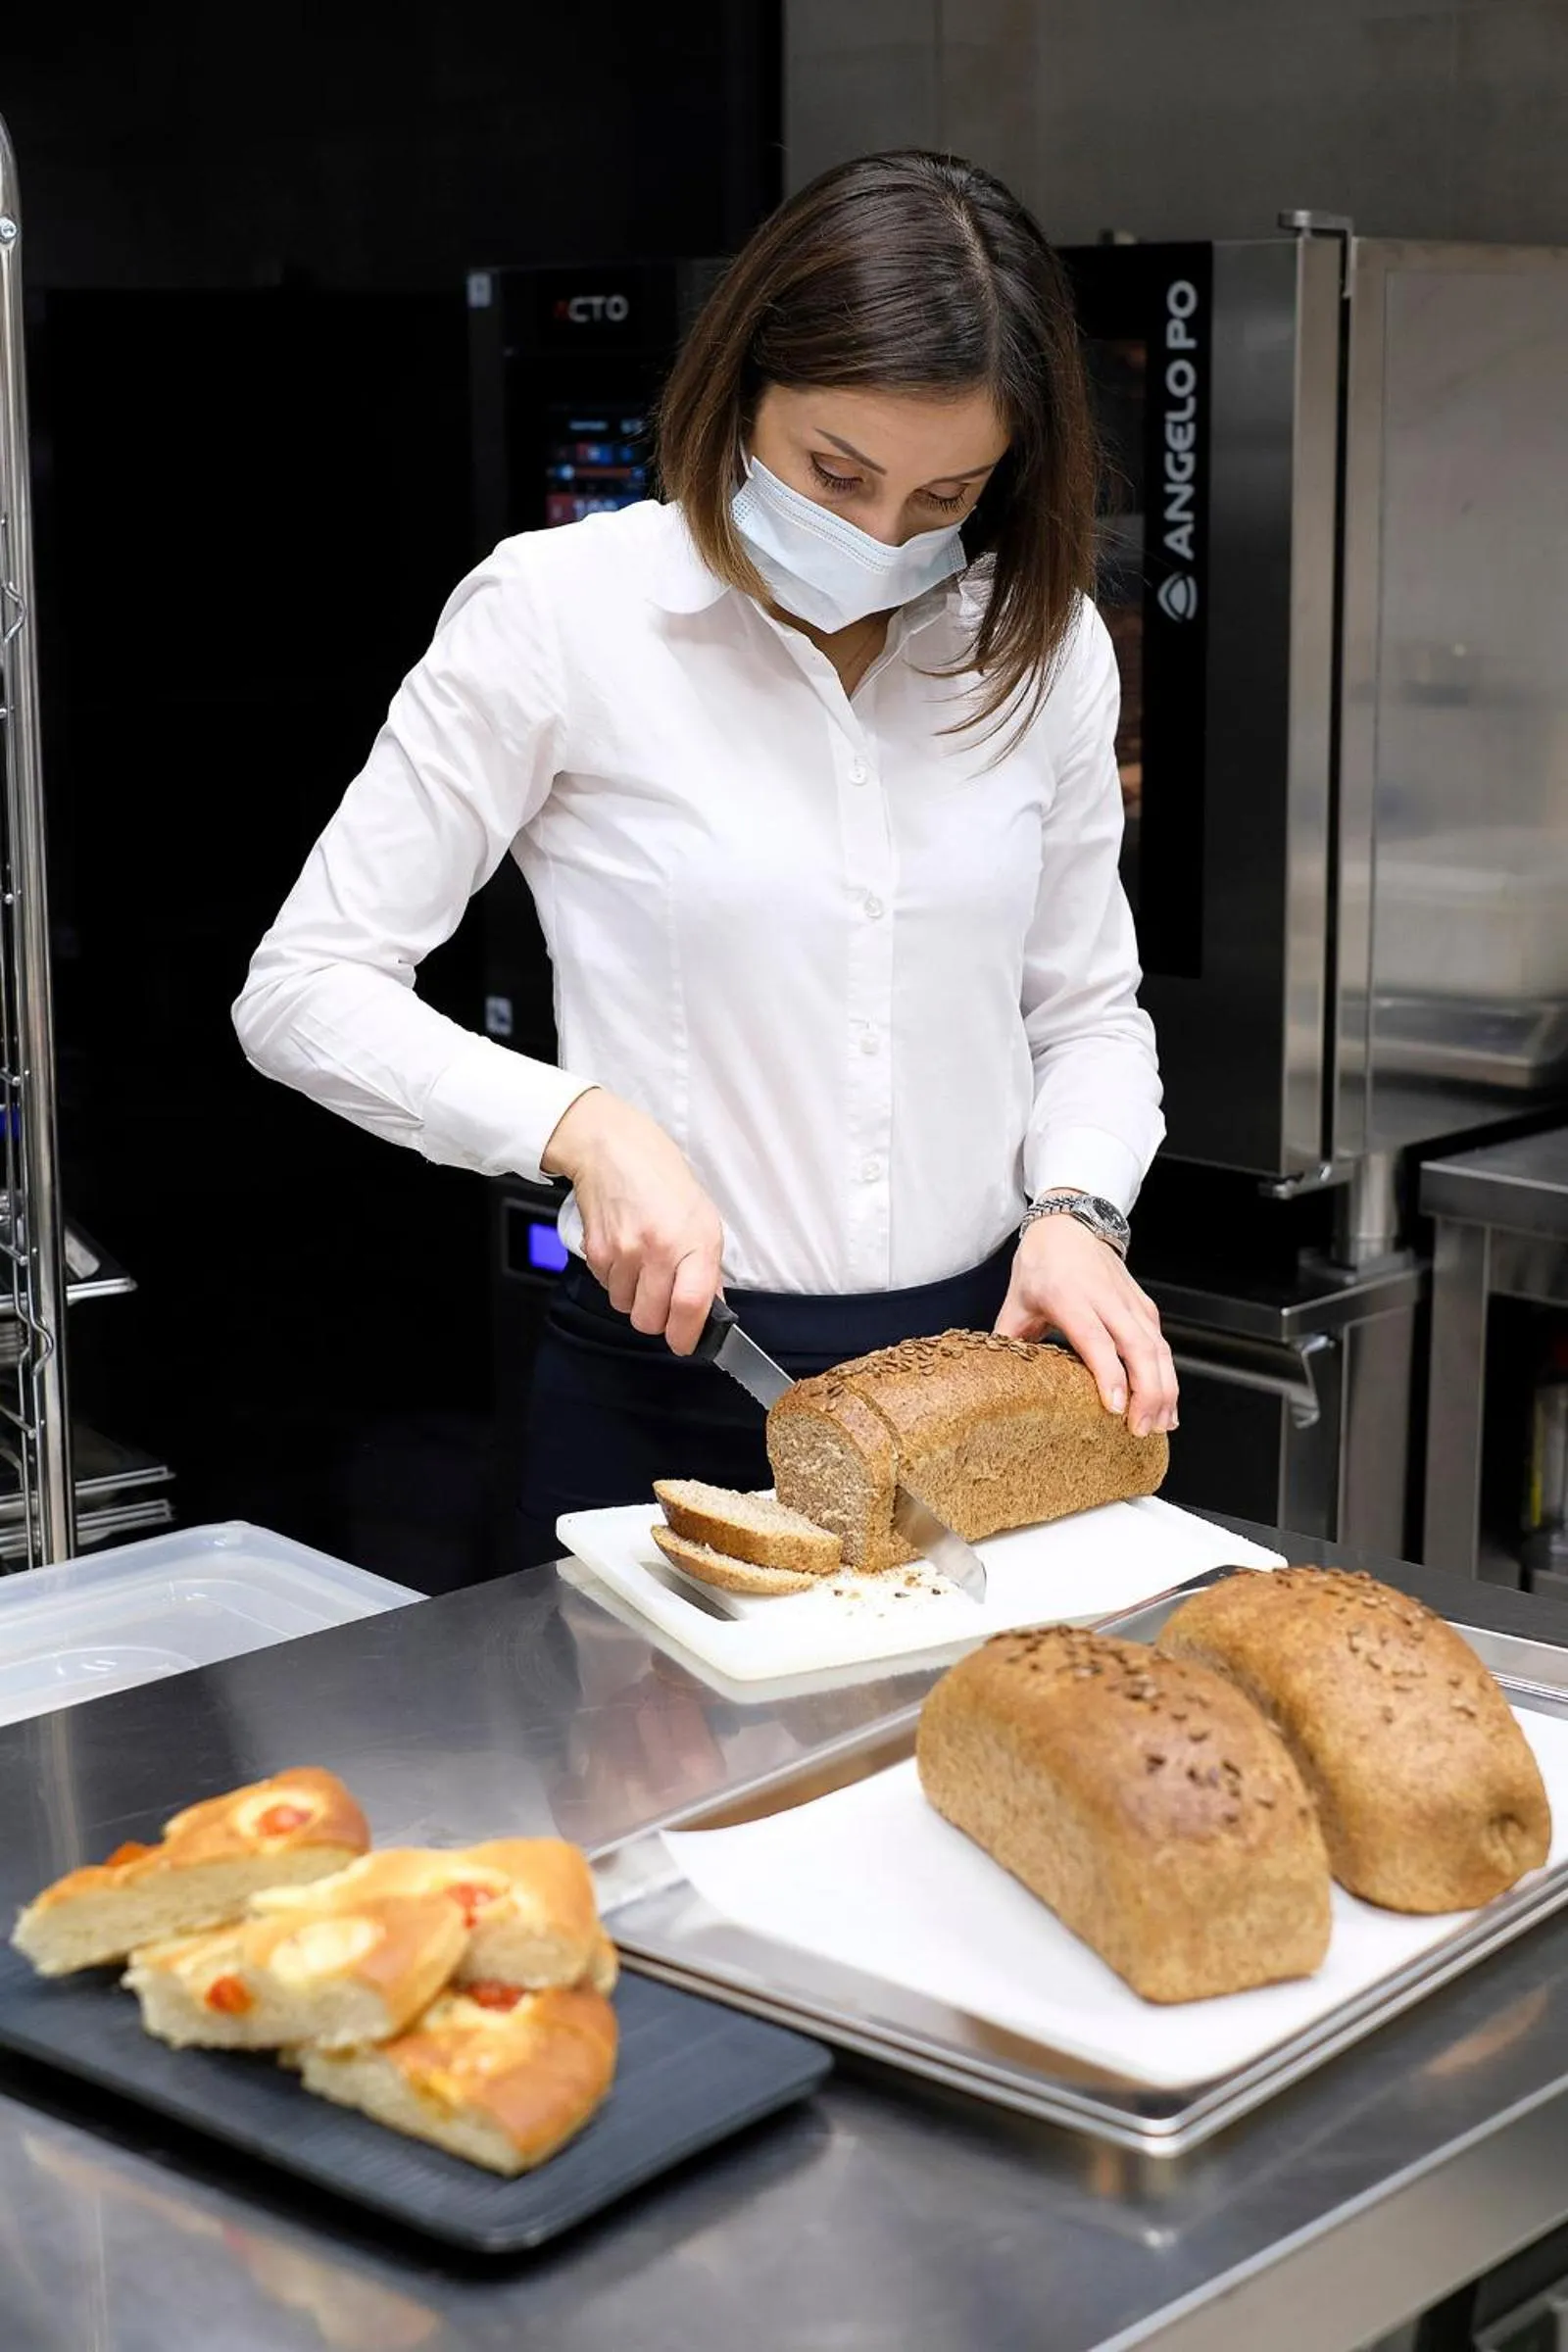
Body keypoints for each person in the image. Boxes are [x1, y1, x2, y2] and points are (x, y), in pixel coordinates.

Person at [233, 149, 1179, 1564]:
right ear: (741, 390)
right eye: (836, 472)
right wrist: (582, 1126)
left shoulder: (1036, 653)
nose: (879, 535)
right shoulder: (561, 614)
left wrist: (1080, 1213)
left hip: (981, 1384)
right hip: (666, 1392)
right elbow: (303, 989)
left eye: (942, 498)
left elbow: (1084, 1007)